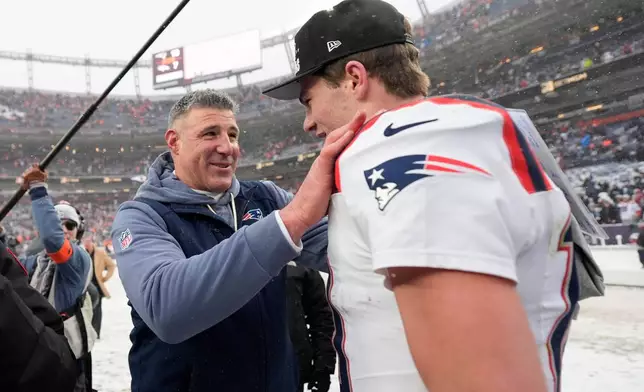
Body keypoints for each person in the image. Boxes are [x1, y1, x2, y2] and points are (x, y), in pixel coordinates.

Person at [263, 1, 600, 391]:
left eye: (309, 101)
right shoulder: (445, 132)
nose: (308, 123)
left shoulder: (401, 148)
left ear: (355, 79)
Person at [110, 89, 361, 392]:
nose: (227, 147)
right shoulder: (141, 215)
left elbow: (348, 247)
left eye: (232, 134)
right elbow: (167, 309)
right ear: (174, 142)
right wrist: (289, 221)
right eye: (210, 134)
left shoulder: (266, 197)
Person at [21, 165, 96, 392]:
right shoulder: (36, 262)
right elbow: (7, 267)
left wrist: (37, 189)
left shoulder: (79, 259)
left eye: (70, 225)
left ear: (77, 232)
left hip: (64, 358)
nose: (64, 229)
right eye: (58, 222)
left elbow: (54, 242)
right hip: (34, 352)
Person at [0, 241, 78, 392]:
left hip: (61, 338)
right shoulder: (35, 257)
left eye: (70, 225)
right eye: (61, 224)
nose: (65, 229)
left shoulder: (78, 255)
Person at [285, 262, 336, 392]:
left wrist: (324, 364)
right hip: (239, 370)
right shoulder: (232, 252)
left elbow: (320, 314)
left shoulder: (298, 257)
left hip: (291, 369)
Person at [83, 235, 116, 338]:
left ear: (92, 243)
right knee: (87, 309)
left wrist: (105, 278)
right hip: (86, 285)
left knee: (97, 311)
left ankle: (96, 333)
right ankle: (89, 332)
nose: (86, 245)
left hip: (97, 284)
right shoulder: (83, 253)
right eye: (85, 242)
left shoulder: (100, 253)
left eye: (88, 242)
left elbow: (111, 265)